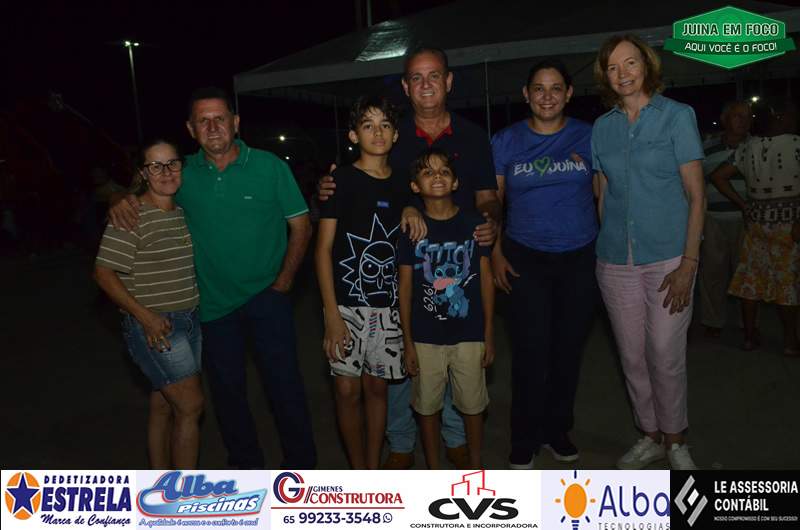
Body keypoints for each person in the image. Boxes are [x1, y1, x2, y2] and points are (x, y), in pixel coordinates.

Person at [109, 87, 316, 469]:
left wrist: (284, 283)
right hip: (212, 306)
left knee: (284, 387)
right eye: (203, 121)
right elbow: (145, 188)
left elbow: (301, 226)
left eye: (220, 118)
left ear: (235, 123)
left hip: (267, 297)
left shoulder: (269, 166)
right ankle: (247, 471)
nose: (213, 127)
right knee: (227, 396)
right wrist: (118, 198)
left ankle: (301, 471)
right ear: (191, 129)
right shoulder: (182, 173)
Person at [318, 46, 500, 469]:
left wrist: (490, 222)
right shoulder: (393, 134)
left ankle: (454, 437)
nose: (426, 84)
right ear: (405, 86)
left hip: (455, 264)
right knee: (406, 364)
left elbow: (488, 197)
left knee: (452, 353)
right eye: (416, 77)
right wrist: (328, 186)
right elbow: (370, 185)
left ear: (448, 81)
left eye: (434, 75)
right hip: (400, 271)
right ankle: (400, 442)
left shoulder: (472, 136)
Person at [592, 35, 705, 470]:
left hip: (668, 258)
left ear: (647, 65)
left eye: (630, 63)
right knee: (632, 356)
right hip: (615, 260)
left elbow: (696, 197)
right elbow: (602, 194)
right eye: (613, 66)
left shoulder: (677, 116)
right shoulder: (602, 128)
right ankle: (650, 435)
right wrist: (606, 246)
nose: (622, 73)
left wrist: (689, 263)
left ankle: (676, 440)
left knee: (664, 352)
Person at [490, 59, 597, 469]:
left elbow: (605, 194)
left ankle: (557, 430)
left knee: (567, 352)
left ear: (569, 93)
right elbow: (493, 203)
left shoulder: (589, 136)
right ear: (526, 94)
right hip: (524, 257)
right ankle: (524, 436)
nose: (547, 96)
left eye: (556, 88)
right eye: (539, 88)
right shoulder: (506, 141)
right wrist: (495, 253)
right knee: (530, 353)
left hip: (580, 257)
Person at [315, 95, 426, 469]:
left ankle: (374, 470)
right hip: (344, 306)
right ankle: (358, 468)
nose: (377, 133)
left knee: (378, 390)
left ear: (396, 134)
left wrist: (411, 206)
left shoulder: (404, 183)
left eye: (385, 125)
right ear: (353, 135)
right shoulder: (341, 181)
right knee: (347, 391)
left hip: (387, 308)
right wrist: (332, 315)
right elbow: (323, 250)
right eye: (368, 125)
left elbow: (416, 207)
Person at [94, 139, 203, 469]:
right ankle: (182, 492)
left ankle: (158, 481)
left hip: (188, 320)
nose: (166, 172)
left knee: (164, 405)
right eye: (155, 166)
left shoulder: (181, 213)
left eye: (172, 163)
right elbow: (103, 273)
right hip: (157, 327)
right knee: (191, 406)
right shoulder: (132, 214)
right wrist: (146, 317)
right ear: (143, 173)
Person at [398, 147, 495, 469]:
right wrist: (407, 342)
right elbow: (405, 289)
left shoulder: (474, 224)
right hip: (425, 337)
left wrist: (489, 333)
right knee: (427, 407)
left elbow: (485, 280)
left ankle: (476, 466)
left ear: (455, 182)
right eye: (427, 172)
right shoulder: (411, 230)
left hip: (469, 333)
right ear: (415, 186)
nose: (437, 177)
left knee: (473, 405)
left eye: (444, 171)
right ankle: (434, 470)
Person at [710, 100, 800, 356]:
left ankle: (749, 337)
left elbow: (717, 176)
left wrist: (743, 204)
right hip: (789, 226)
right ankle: (790, 342)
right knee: (787, 283)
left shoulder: (748, 147)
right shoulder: (796, 144)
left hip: (756, 224)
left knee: (751, 279)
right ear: (779, 119)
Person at [699, 101, 752, 337]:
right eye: (737, 116)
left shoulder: (756, 146)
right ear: (725, 119)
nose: (743, 121)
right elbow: (697, 182)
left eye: (747, 116)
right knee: (712, 273)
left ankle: (747, 322)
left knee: (746, 273)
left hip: (746, 219)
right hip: (713, 218)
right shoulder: (707, 147)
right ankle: (713, 321)